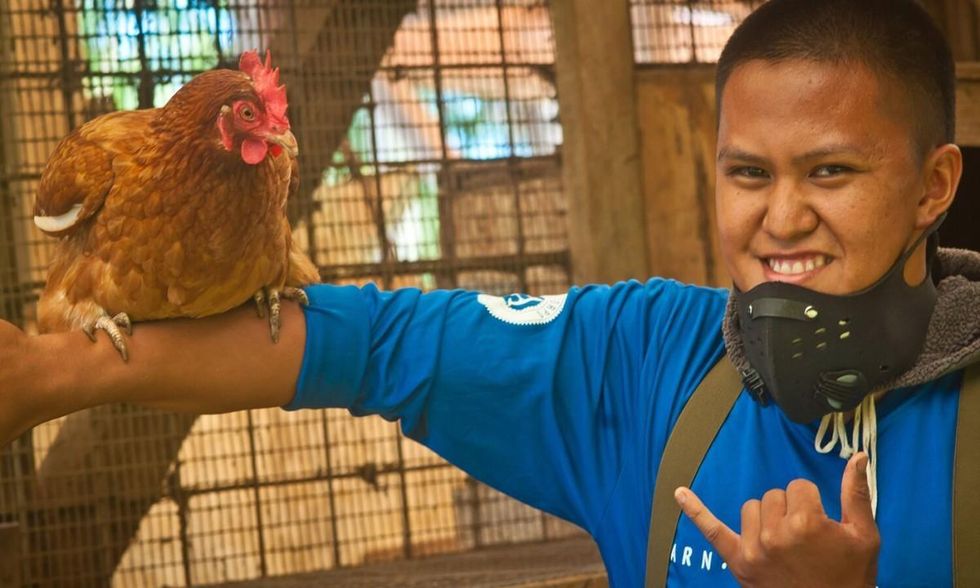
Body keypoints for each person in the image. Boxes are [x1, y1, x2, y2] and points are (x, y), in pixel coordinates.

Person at [0, 0, 970, 585]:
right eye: (747, 174)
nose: (781, 217)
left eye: (830, 173)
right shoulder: (638, 361)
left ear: (931, 187)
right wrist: (50, 374)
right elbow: (355, 347)